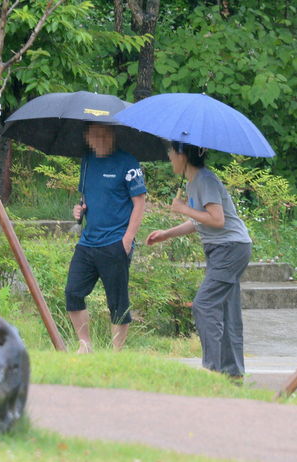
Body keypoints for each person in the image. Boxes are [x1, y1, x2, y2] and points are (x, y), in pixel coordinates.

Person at [145, 141, 252, 378]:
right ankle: (232, 372)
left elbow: (217, 220)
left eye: (171, 152)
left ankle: (211, 371)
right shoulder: (195, 182)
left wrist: (183, 208)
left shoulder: (205, 180)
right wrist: (166, 234)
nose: (169, 157)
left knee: (204, 306)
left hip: (229, 249)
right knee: (226, 309)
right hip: (223, 249)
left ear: (183, 154)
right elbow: (199, 221)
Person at [65, 123, 146, 353]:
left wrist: (128, 239)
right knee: (73, 292)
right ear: (87, 137)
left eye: (104, 134)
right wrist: (79, 209)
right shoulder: (87, 161)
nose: (99, 139)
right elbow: (86, 198)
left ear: (112, 135)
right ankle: (85, 344)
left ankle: (115, 352)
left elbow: (140, 203)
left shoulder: (128, 162)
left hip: (116, 242)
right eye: (94, 135)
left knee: (117, 302)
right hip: (88, 242)